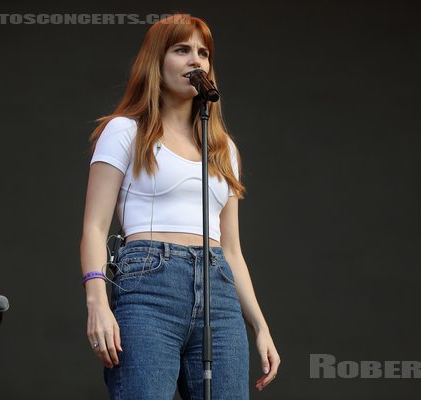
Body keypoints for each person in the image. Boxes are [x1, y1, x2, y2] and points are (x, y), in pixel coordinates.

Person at [80, 13, 280, 399]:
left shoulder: (223, 149)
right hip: (148, 288)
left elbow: (232, 251)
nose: (196, 61)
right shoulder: (126, 131)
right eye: (182, 50)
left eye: (203, 53)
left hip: (219, 295)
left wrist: (261, 326)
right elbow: (93, 227)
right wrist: (97, 302)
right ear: (157, 62)